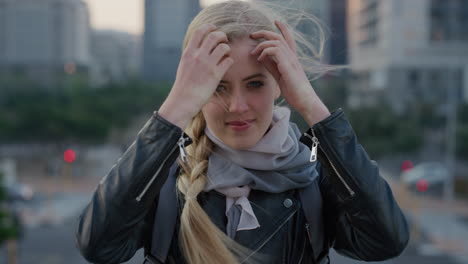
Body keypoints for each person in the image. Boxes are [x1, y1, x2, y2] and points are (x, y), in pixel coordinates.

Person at [75, 1, 409, 264]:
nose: (237, 105)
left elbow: (385, 241)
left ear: (280, 82)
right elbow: (99, 246)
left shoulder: (314, 177)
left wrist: (311, 105)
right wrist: (175, 109)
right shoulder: (162, 180)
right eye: (218, 86)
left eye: (255, 84)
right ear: (195, 85)